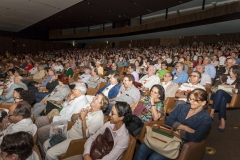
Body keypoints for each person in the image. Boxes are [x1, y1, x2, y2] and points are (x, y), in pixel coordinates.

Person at [135, 89, 212, 160]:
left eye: (195, 100)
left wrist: (177, 129)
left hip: (179, 142)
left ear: (203, 102)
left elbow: (196, 137)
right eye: (190, 99)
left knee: (155, 158)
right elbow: (168, 120)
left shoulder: (206, 118)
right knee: (142, 148)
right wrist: (185, 128)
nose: (191, 102)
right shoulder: (181, 107)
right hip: (166, 134)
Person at [43, 93, 109, 160]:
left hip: (76, 140)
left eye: (97, 98)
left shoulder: (98, 118)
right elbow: (72, 118)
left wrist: (83, 119)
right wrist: (79, 114)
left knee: (49, 154)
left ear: (101, 104)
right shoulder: (88, 106)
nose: (94, 98)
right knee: (45, 144)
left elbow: (86, 136)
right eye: (95, 96)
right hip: (69, 132)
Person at [210, 65, 240, 132]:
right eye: (230, 71)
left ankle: (212, 110)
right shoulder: (223, 77)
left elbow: (238, 91)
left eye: (233, 72)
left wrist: (234, 89)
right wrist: (221, 86)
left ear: (237, 73)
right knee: (221, 93)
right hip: (216, 95)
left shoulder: (238, 81)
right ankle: (222, 120)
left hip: (229, 97)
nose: (230, 73)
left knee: (223, 97)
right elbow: (212, 88)